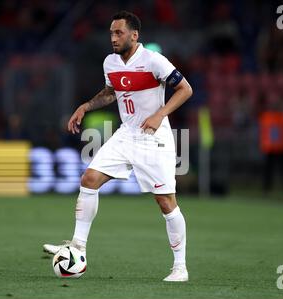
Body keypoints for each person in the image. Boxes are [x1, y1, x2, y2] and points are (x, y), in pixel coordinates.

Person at [43, 11, 193, 282]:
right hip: (126, 134)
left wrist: (160, 114)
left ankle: (180, 267)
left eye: (119, 33)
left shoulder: (154, 61)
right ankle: (78, 247)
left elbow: (185, 89)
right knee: (89, 178)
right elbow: (111, 91)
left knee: (165, 202)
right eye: (111, 33)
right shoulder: (110, 62)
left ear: (134, 35)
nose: (113, 38)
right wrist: (85, 106)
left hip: (154, 137)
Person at [258, 101, 283, 193]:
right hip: (270, 147)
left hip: (282, 147)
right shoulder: (266, 117)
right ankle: (267, 187)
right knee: (268, 169)